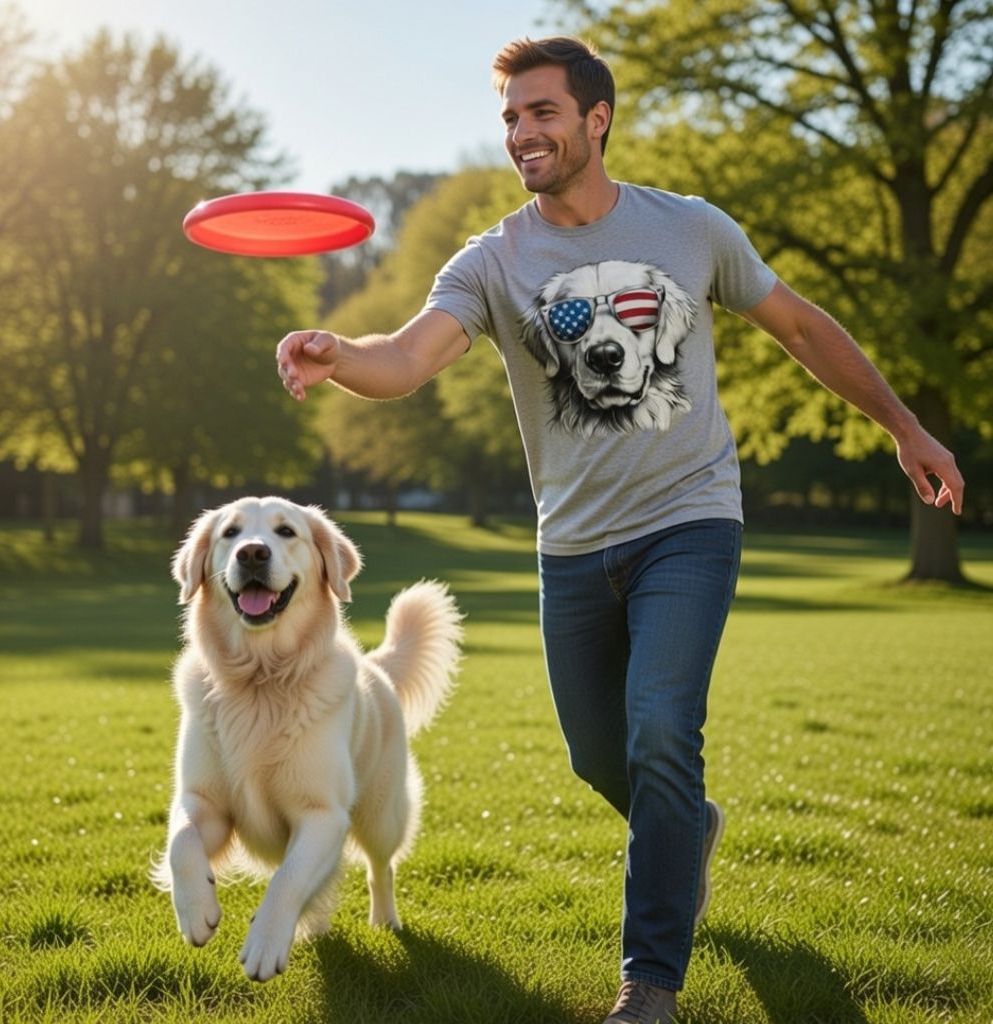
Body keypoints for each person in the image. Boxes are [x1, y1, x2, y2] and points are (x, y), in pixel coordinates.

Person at [276, 36, 964, 1024]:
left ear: (596, 119)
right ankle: (688, 827)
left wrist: (903, 427)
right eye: (511, 116)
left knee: (658, 731)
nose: (522, 133)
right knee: (601, 757)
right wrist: (337, 352)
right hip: (571, 548)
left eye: (542, 113)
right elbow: (406, 358)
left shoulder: (690, 230)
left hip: (688, 521)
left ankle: (649, 982)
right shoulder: (492, 260)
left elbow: (803, 328)